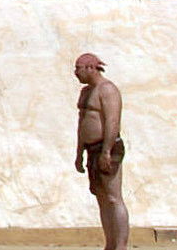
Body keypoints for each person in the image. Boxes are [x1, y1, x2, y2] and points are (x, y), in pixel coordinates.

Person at [73, 52, 126, 250]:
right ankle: (110, 244)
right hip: (91, 149)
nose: (75, 73)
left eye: (78, 68)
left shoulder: (108, 90)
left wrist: (106, 151)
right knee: (102, 197)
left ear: (90, 67)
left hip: (107, 147)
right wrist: (79, 153)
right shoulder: (86, 92)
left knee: (113, 197)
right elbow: (82, 123)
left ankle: (121, 245)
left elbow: (112, 121)